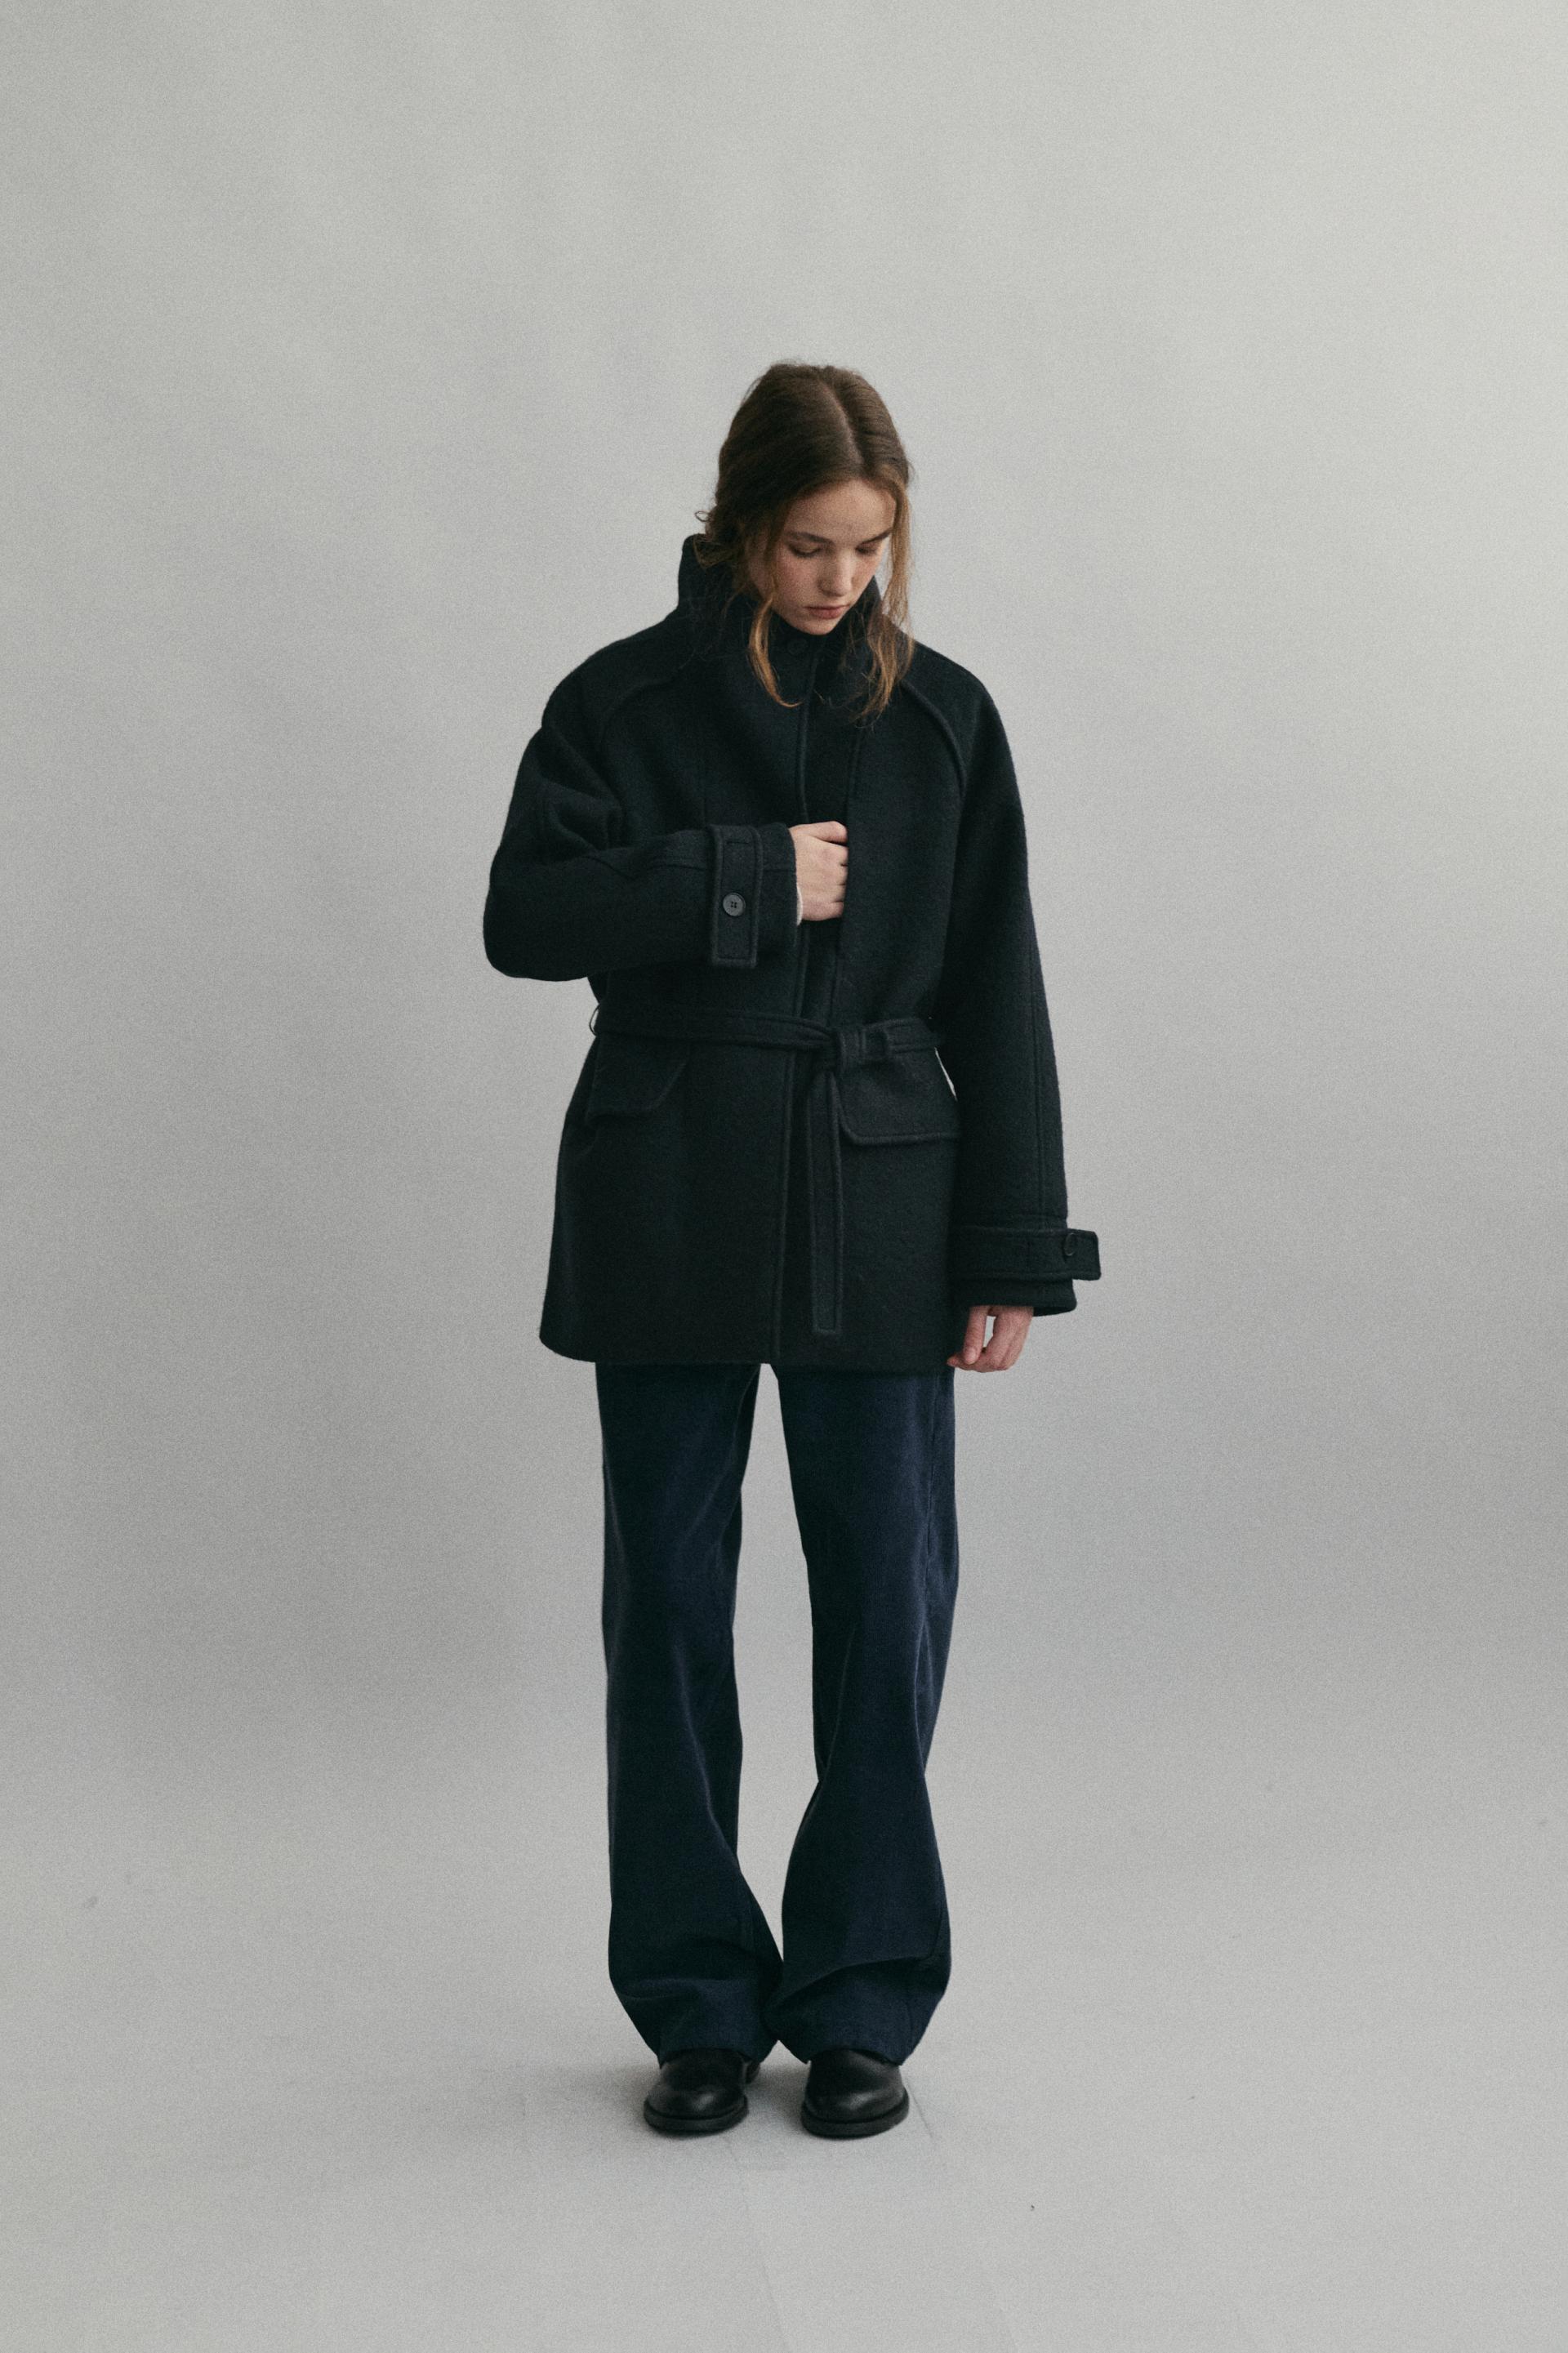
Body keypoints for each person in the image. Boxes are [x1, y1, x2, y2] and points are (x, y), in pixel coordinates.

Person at [483, 361, 1100, 2139]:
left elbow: (999, 985)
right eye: (813, 544)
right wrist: (740, 875)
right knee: (668, 1610)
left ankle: (859, 2001)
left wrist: (1011, 1248)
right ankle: (693, 2005)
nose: (842, 581)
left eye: (870, 549)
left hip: (882, 1195)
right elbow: (522, 914)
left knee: (885, 1611)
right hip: (670, 1183)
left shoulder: (946, 719)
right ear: (743, 521)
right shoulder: (619, 703)